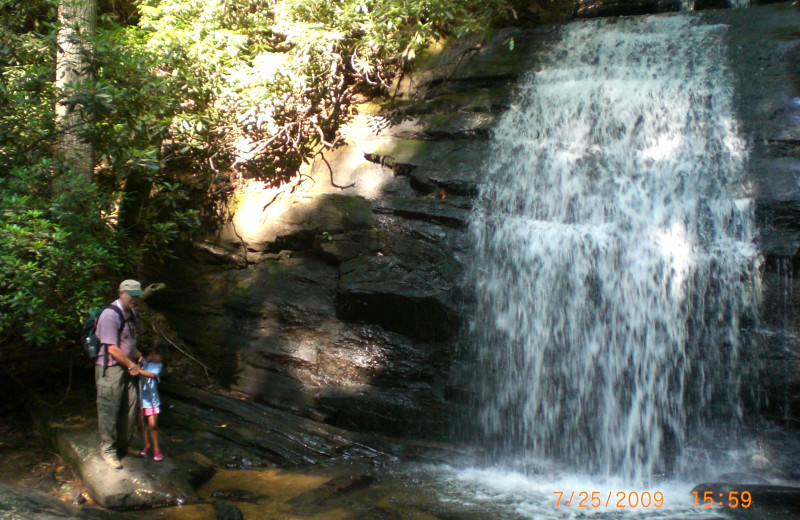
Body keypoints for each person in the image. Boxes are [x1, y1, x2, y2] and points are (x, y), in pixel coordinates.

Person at [94, 279, 143, 469]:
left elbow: (129, 339)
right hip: (111, 368)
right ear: (121, 293)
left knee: (129, 406)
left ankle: (124, 444)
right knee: (109, 408)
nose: (135, 299)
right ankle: (108, 450)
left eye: (137, 296)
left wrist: (136, 355)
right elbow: (112, 349)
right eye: (132, 295)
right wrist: (131, 365)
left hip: (128, 365)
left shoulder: (132, 313)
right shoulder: (109, 315)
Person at [136, 341, 165, 461]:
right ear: (153, 353)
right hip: (140, 398)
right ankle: (146, 445)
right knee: (139, 424)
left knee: (152, 425)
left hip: (152, 400)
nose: (162, 358)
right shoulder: (141, 360)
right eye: (161, 355)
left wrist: (138, 371)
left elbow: (152, 375)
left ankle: (156, 449)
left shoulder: (158, 365)